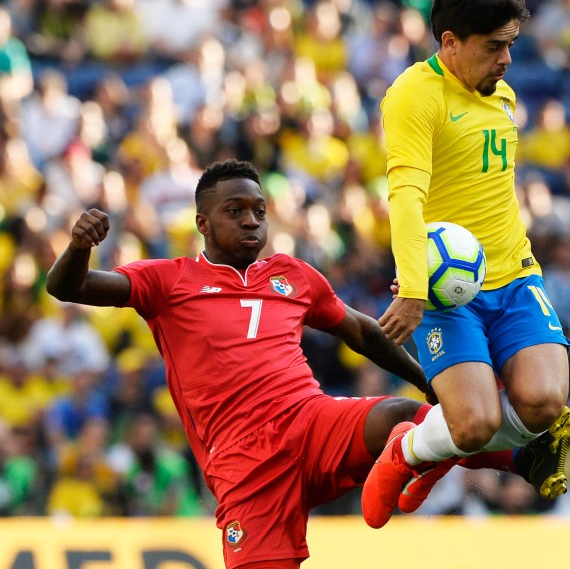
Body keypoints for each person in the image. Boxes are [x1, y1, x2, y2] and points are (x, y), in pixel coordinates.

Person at [44, 159, 439, 568]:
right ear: (203, 223)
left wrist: (426, 380)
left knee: (406, 414)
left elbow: (363, 332)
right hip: (245, 463)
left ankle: (507, 456)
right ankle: (417, 461)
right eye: (235, 212)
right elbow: (66, 286)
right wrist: (79, 247)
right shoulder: (168, 281)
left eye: (259, 211)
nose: (251, 221)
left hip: (310, 422)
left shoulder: (293, 275)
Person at [362, 0, 570, 529]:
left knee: (545, 402)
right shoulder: (413, 95)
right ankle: (410, 451)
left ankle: (435, 447)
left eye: (510, 44)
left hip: (515, 274)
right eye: (493, 46)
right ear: (450, 42)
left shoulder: (500, 94)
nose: (506, 58)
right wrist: (411, 288)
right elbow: (405, 197)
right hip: (444, 288)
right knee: (475, 423)